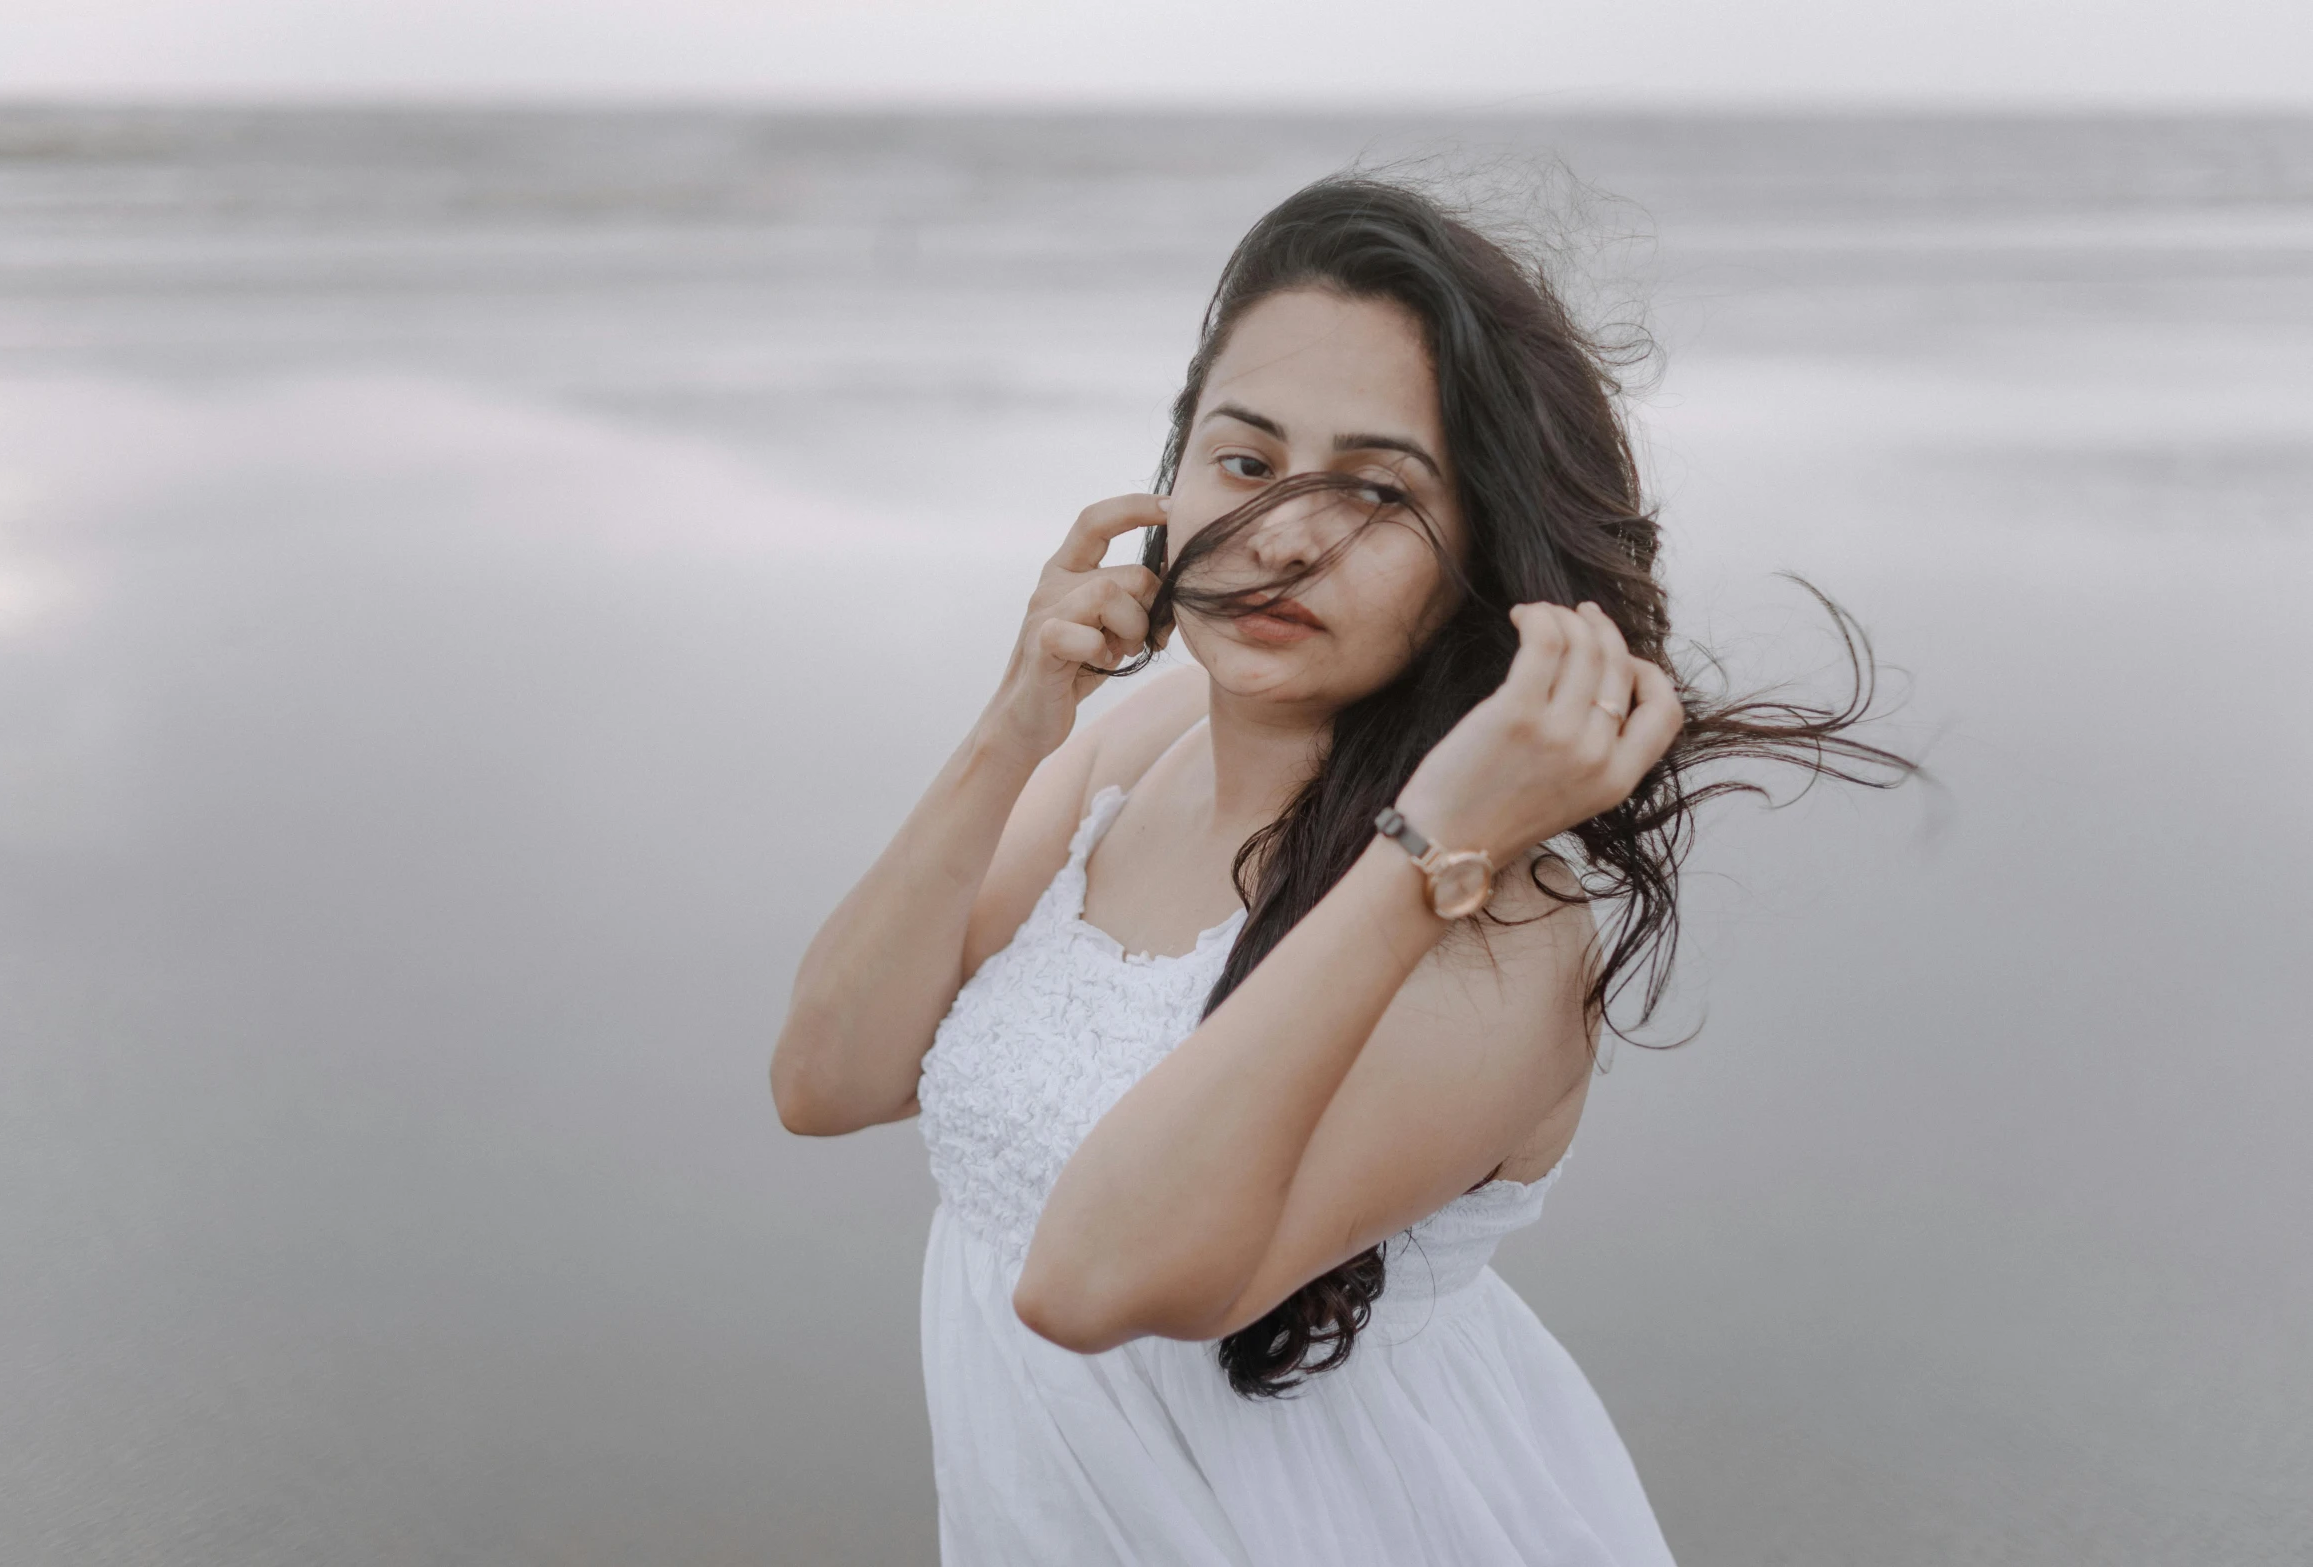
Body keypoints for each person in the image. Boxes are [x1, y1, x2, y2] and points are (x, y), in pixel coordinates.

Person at [771, 175, 1906, 1566]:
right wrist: (1019, 715)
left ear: (1481, 555)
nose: (1285, 534)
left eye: (1376, 492)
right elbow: (827, 1079)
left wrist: (1428, 841)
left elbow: (1090, 1279)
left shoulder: (1499, 924)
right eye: (1243, 462)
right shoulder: (1142, 737)